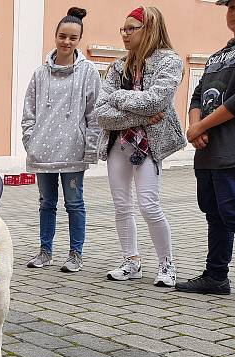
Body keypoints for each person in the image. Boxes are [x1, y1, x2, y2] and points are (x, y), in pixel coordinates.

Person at [94, 6, 185, 287]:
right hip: (118, 143)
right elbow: (100, 112)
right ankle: (131, 261)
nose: (125, 34)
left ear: (150, 29)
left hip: (149, 145)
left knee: (149, 205)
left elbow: (157, 102)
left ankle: (166, 264)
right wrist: (137, 109)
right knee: (122, 206)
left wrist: (118, 98)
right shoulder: (117, 66)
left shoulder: (169, 61)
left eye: (131, 28)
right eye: (123, 29)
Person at [176, 0, 235, 304]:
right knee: (215, 214)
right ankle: (215, 276)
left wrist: (201, 127)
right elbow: (197, 95)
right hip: (209, 152)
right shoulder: (218, 55)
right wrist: (195, 127)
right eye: (230, 6)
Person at [22, 7, 101, 273]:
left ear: (79, 40)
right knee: (46, 203)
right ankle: (45, 252)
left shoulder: (88, 72)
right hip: (42, 152)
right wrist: (30, 141)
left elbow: (95, 112)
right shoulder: (39, 73)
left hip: (73, 152)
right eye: (62, 36)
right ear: (55, 36)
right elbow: (28, 112)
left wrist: (90, 148)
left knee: (74, 204)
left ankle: (75, 254)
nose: (66, 42)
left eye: (73, 38)